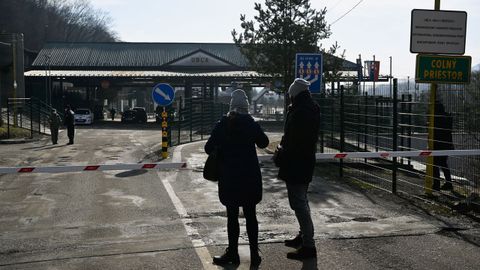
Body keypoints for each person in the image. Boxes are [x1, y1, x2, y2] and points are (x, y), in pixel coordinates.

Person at [205, 89, 269, 267]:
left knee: (232, 216)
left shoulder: (222, 124)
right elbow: (263, 142)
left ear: (231, 106)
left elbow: (208, 148)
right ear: (247, 107)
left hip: (229, 177)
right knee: (251, 215)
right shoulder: (251, 123)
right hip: (249, 176)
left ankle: (233, 253)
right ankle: (254, 253)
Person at [277, 78, 320, 260]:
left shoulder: (301, 112)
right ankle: (303, 236)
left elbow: (295, 140)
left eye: (290, 94)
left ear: (294, 93)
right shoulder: (309, 108)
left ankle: (308, 245)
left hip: (296, 163)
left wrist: (282, 152)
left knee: (299, 204)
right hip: (304, 162)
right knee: (302, 200)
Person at [432, 102, 454, 191]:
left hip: (437, 144)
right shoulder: (447, 117)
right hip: (447, 144)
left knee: (435, 164)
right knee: (443, 163)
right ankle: (448, 183)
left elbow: (435, 131)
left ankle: (436, 184)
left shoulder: (436, 118)